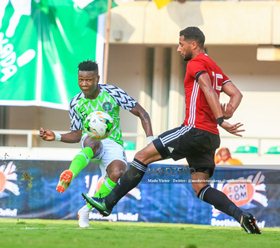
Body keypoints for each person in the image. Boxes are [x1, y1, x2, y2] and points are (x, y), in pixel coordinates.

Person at [82, 27, 261, 234]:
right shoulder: (215, 67)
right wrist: (228, 112)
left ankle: (107, 203)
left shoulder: (196, 63)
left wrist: (222, 119)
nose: (178, 49)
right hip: (210, 137)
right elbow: (236, 94)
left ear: (193, 45)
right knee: (201, 188)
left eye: (181, 44)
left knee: (141, 156)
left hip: (194, 130)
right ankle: (243, 217)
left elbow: (207, 88)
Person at [40, 60, 154, 227]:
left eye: (89, 80)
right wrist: (56, 136)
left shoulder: (113, 92)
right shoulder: (76, 103)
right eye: (81, 80)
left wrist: (150, 141)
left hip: (114, 144)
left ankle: (85, 210)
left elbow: (142, 114)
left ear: (97, 78)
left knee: (118, 172)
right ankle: (70, 174)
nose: (84, 84)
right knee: (93, 140)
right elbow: (77, 134)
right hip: (91, 142)